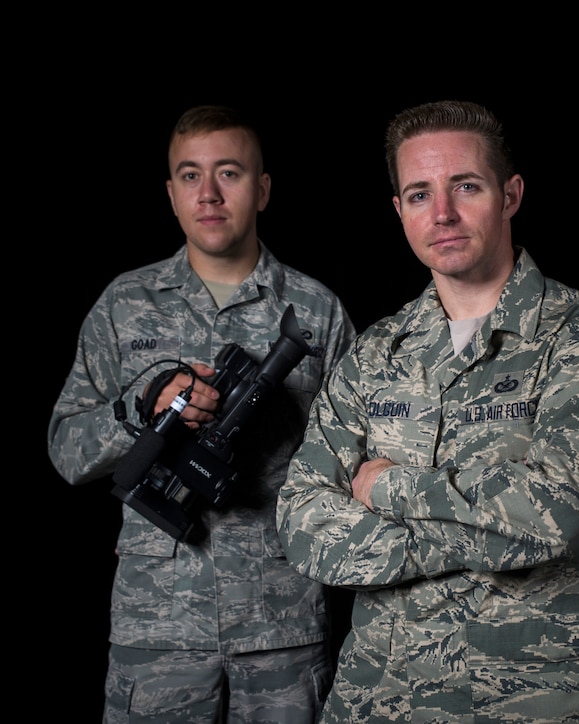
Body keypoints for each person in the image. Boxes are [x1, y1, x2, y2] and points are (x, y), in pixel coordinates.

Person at [276, 99, 579, 723]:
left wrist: (388, 486)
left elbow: (562, 516)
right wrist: (490, 533)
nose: (442, 213)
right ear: (399, 210)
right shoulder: (374, 355)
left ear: (511, 194)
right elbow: (302, 521)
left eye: (465, 187)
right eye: (419, 194)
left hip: (535, 699)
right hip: (383, 698)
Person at [47, 105, 356, 722]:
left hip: (280, 621)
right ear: (171, 192)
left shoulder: (316, 313)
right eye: (190, 176)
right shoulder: (123, 306)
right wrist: (143, 408)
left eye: (230, 174)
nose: (208, 194)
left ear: (262, 188)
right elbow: (66, 449)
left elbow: (360, 459)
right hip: (157, 621)